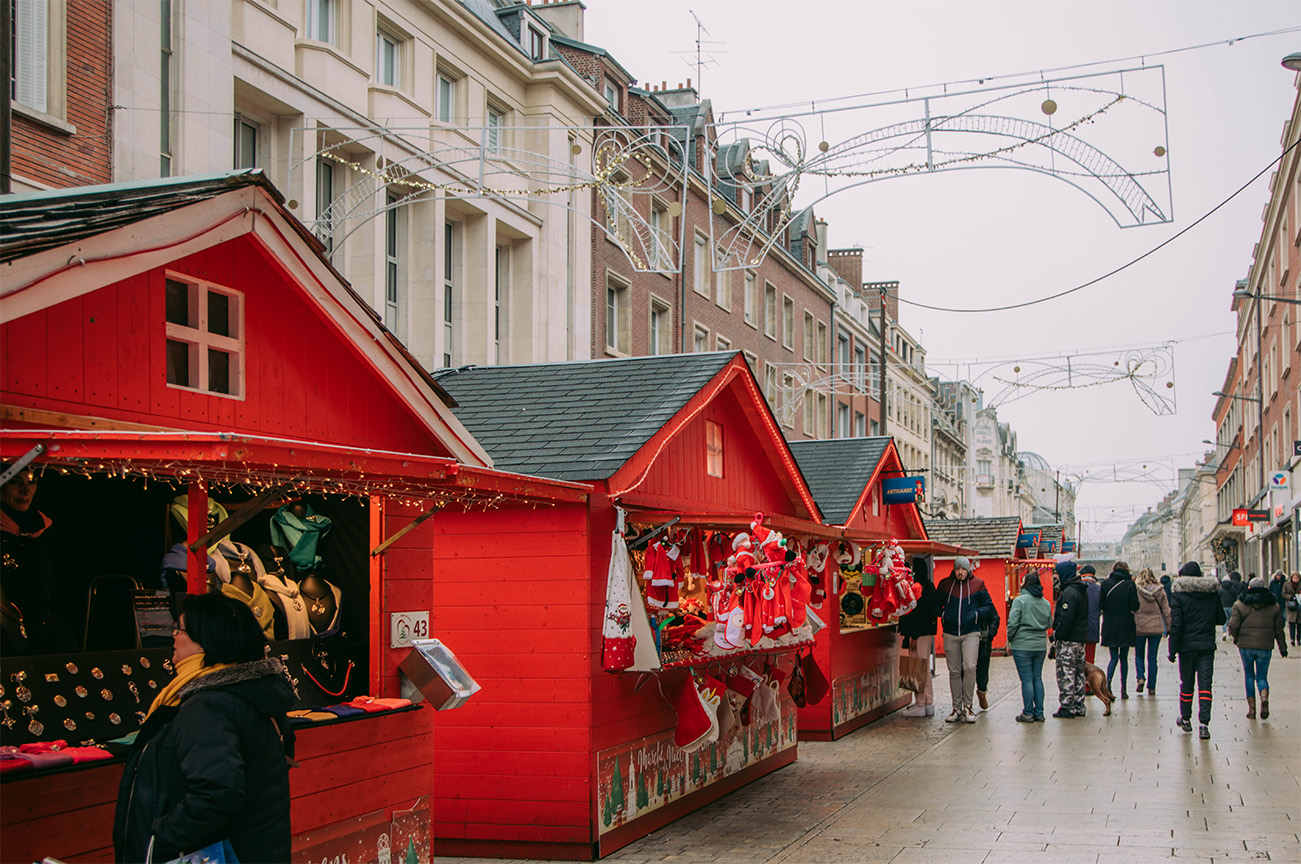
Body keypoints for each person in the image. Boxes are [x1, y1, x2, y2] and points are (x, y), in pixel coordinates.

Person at [114, 593, 295, 863]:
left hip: (213, 854)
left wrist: (161, 838)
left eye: (179, 628)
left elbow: (218, 790)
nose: (173, 636)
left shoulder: (208, 706)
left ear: (206, 641)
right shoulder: (248, 692)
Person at [0, 463, 79, 655]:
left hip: (45, 638)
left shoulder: (42, 530)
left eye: (32, 482)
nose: (25, 491)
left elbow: (51, 598)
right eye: (15, 482)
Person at [1168, 561, 1224, 739]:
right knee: (1205, 685)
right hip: (1206, 645)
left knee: (1187, 684)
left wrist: (1172, 650)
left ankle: (1185, 719)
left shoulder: (1179, 595)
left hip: (1186, 647)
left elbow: (1176, 625)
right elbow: (1221, 618)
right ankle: (1204, 724)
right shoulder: (1212, 594)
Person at [937, 556, 996, 723]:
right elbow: (935, 604)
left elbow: (989, 606)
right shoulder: (946, 584)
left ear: (968, 569)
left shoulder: (978, 584)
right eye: (957, 569)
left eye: (963, 569)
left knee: (970, 667)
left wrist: (976, 615)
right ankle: (956, 708)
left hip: (971, 632)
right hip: (950, 632)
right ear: (954, 569)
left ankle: (968, 706)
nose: (960, 572)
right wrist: (943, 614)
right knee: (954, 671)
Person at [1229, 575, 1288, 719]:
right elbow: (1279, 629)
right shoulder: (1274, 606)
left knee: (1249, 675)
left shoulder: (1240, 604)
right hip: (1265, 645)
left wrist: (1237, 638)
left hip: (1246, 645)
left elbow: (1233, 625)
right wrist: (1283, 647)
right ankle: (1264, 695)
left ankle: (1252, 709)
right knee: (1262, 676)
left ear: (1249, 588)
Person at [898, 556, 943, 717]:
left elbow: (917, 614)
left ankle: (920, 703)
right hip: (928, 632)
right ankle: (928, 702)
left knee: (918, 666)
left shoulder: (918, 588)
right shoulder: (929, 586)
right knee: (924, 667)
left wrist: (913, 636)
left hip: (919, 633)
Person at [1007, 570, 1052, 722]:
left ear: (1026, 584)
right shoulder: (1045, 602)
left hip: (1022, 645)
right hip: (1039, 645)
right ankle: (1039, 712)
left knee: (1026, 679)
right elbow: (1049, 623)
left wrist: (1010, 639)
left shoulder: (1020, 601)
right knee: (1037, 677)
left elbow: (1013, 623)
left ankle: (1028, 712)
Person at [1052, 560, 1090, 718]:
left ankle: (1067, 706)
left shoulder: (1069, 593)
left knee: (1066, 671)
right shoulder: (1081, 590)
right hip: (1080, 638)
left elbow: (1066, 618)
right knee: (1079, 671)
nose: (1056, 576)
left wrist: (1057, 634)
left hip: (1069, 639)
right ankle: (1079, 704)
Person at [1100, 561, 1140, 699]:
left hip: (1110, 624)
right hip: (1126, 625)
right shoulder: (1130, 584)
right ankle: (1124, 689)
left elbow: (1101, 605)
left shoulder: (1105, 584)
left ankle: (1108, 683)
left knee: (1113, 657)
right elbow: (1135, 606)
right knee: (1124, 658)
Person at [1133, 567, 1170, 695]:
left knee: (1139, 655)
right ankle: (1152, 686)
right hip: (1156, 627)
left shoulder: (1136, 590)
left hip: (1139, 627)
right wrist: (1169, 628)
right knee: (1152, 657)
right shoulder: (1160, 591)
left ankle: (1140, 677)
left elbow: (1132, 609)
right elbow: (1166, 611)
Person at [974, 593, 1001, 712]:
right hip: (966, 639)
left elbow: (995, 618)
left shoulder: (987, 605)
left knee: (983, 669)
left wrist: (990, 635)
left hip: (983, 641)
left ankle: (982, 692)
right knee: (965, 670)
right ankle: (965, 699)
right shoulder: (966, 603)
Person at [1079, 564, 1102, 664]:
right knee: (1089, 658)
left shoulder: (1076, 588)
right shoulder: (1099, 590)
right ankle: (1088, 679)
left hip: (1078, 629)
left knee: (1077, 657)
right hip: (1093, 628)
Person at [1218, 573, 1241, 640]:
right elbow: (1235, 597)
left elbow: (1219, 598)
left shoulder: (1221, 590)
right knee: (1231, 620)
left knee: (1225, 621)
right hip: (1231, 606)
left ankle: (1224, 632)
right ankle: (1230, 633)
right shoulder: (1233, 589)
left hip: (1224, 606)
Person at [1283, 572, 1301, 646]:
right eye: (1294, 578)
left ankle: (1299, 639)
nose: (1296, 580)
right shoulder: (1287, 584)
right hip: (1291, 606)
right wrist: (1290, 597)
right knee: (1292, 623)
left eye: (1297, 578)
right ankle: (1292, 639)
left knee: (1299, 624)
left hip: (1299, 606)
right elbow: (1284, 593)